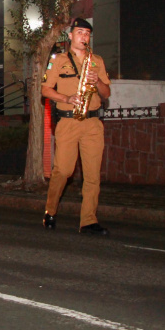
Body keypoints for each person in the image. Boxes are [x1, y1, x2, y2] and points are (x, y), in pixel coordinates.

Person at [41, 17, 111, 235]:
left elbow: (107, 93)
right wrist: (67, 98)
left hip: (92, 123)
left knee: (92, 175)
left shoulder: (96, 60)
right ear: (70, 36)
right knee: (63, 170)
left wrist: (97, 81)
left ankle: (88, 221)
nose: (84, 37)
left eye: (87, 33)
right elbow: (45, 90)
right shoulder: (58, 60)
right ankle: (50, 209)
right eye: (79, 32)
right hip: (68, 122)